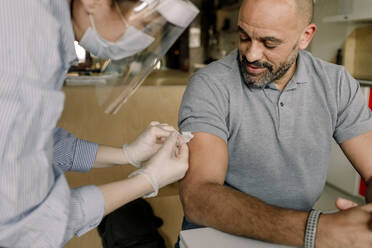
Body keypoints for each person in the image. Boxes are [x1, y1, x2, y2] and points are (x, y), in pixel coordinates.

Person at [0, 0, 196, 247]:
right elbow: (26, 225)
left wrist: (127, 154)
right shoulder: (29, 41)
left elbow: (36, 143)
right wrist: (146, 181)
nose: (141, 40)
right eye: (145, 26)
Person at [177, 0, 372, 247]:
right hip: (212, 239)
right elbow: (198, 196)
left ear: (305, 36)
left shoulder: (336, 84)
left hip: (296, 239)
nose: (251, 54)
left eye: (269, 43)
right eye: (244, 37)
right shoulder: (210, 85)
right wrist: (317, 229)